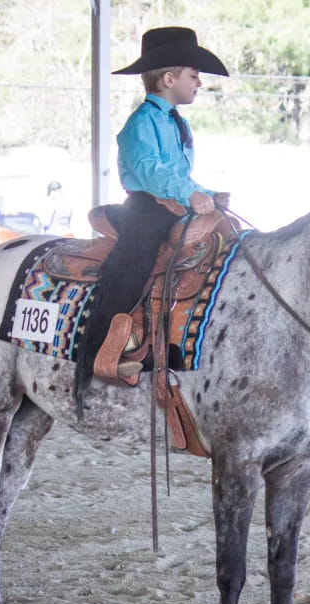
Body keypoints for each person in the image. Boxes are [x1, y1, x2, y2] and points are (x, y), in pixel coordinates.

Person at [74, 26, 229, 403]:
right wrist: (190, 193)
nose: (199, 84)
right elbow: (151, 171)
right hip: (145, 207)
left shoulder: (175, 121)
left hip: (172, 205)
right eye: (194, 76)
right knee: (132, 264)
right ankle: (99, 350)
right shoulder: (142, 122)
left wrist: (207, 194)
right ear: (169, 78)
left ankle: (173, 338)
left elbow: (178, 174)